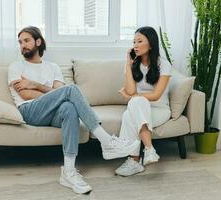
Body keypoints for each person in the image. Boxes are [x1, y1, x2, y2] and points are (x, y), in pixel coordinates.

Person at [7, 26, 140, 194]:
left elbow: (57, 92)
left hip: (51, 112)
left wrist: (35, 84)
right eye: (20, 42)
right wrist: (49, 92)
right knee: (71, 90)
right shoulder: (16, 67)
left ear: (38, 42)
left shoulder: (52, 67)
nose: (22, 45)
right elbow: (26, 95)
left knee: (69, 107)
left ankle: (68, 172)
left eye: (26, 41)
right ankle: (106, 141)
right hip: (30, 111)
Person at [116, 26, 172, 176]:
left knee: (133, 107)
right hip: (139, 107)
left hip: (159, 108)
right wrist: (128, 64)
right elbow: (131, 91)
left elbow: (156, 95)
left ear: (151, 44)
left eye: (140, 41)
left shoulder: (164, 64)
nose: (135, 45)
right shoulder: (133, 65)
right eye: (134, 41)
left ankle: (134, 161)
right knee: (132, 109)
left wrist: (131, 98)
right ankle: (149, 149)